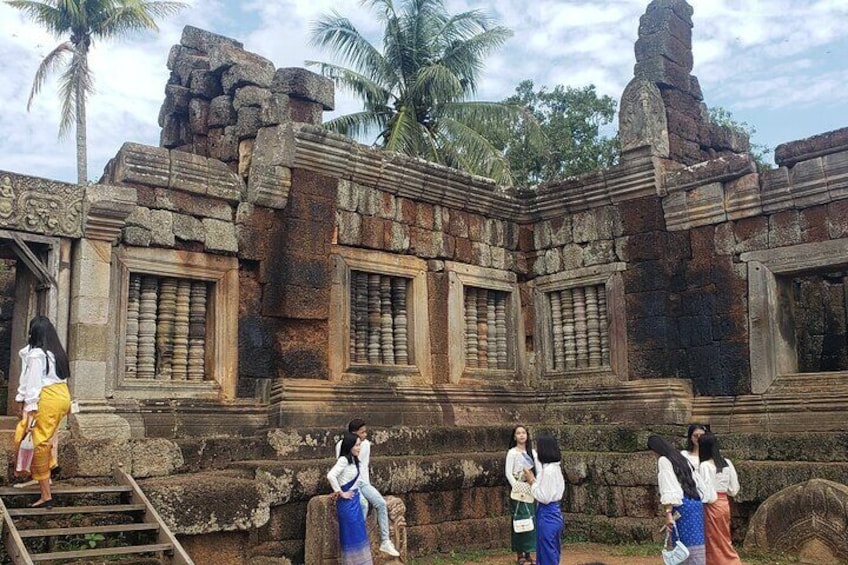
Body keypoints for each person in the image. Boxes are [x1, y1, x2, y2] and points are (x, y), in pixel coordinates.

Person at [14, 316, 72, 508]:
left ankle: (45, 493)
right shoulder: (56, 353)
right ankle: (48, 469)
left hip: (47, 398)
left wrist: (28, 407)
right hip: (62, 397)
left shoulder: (37, 354)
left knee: (37, 442)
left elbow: (33, 384)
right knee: (46, 439)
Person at [335, 419, 400, 557]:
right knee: (363, 505)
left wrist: (368, 488)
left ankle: (385, 541)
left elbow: (363, 466)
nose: (365, 434)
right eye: (362, 432)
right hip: (350, 484)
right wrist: (341, 491)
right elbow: (340, 470)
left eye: (365, 431)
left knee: (381, 503)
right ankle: (358, 540)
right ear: (353, 433)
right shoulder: (341, 445)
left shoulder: (365, 445)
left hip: (363, 482)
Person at [648, 435, 711, 565]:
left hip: (682, 507)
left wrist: (668, 513)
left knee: (682, 543)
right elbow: (697, 481)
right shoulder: (681, 458)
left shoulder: (664, 460)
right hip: (695, 503)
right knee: (696, 540)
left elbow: (670, 487)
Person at [328, 432, 373, 565]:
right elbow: (331, 476)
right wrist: (340, 492)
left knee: (359, 535)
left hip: (355, 501)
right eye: (357, 445)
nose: (359, 448)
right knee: (351, 537)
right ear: (349, 446)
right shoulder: (343, 460)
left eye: (359, 445)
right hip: (347, 504)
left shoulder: (354, 460)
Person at [698, 432, 742, 565]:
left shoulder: (705, 465)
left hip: (712, 504)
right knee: (723, 536)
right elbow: (733, 489)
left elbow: (706, 490)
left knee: (713, 538)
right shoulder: (727, 463)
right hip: (724, 503)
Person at [523, 435, 564, 565]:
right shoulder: (554, 468)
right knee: (549, 547)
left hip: (547, 513)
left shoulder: (549, 471)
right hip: (553, 512)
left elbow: (544, 497)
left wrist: (531, 482)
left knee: (547, 548)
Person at [505, 425, 537, 565]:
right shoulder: (512, 453)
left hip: (530, 489)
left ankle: (529, 552)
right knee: (519, 519)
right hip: (517, 491)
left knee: (530, 519)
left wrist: (533, 484)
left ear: (527, 435)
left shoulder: (532, 453)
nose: (521, 435)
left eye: (524, 433)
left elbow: (536, 471)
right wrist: (517, 487)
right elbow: (508, 472)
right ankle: (520, 554)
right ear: (514, 436)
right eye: (518, 433)